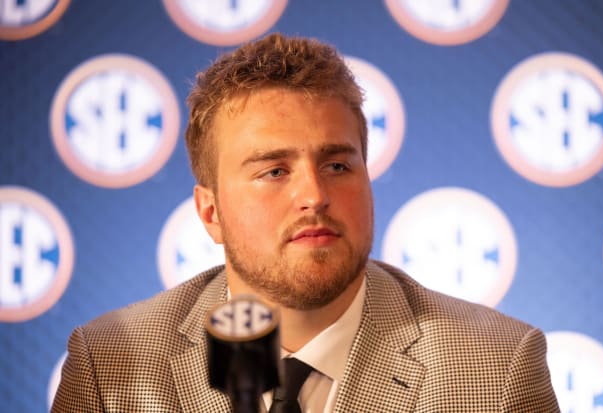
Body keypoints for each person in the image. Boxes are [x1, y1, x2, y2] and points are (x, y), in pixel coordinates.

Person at [52, 33, 560, 412]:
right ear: (211, 213)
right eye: (274, 171)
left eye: (337, 165)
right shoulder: (110, 366)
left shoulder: (496, 370)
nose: (315, 196)